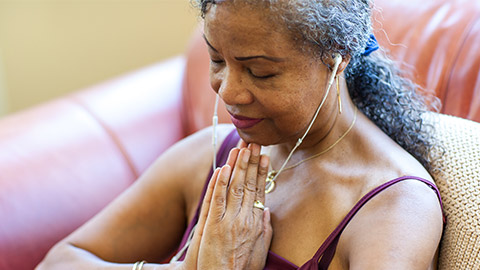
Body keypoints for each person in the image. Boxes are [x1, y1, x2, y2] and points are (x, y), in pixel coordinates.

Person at [37, 0, 445, 269]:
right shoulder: (212, 155)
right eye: (217, 59)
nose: (227, 91)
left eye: (260, 71)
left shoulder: (394, 209)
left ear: (337, 59)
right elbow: (60, 261)